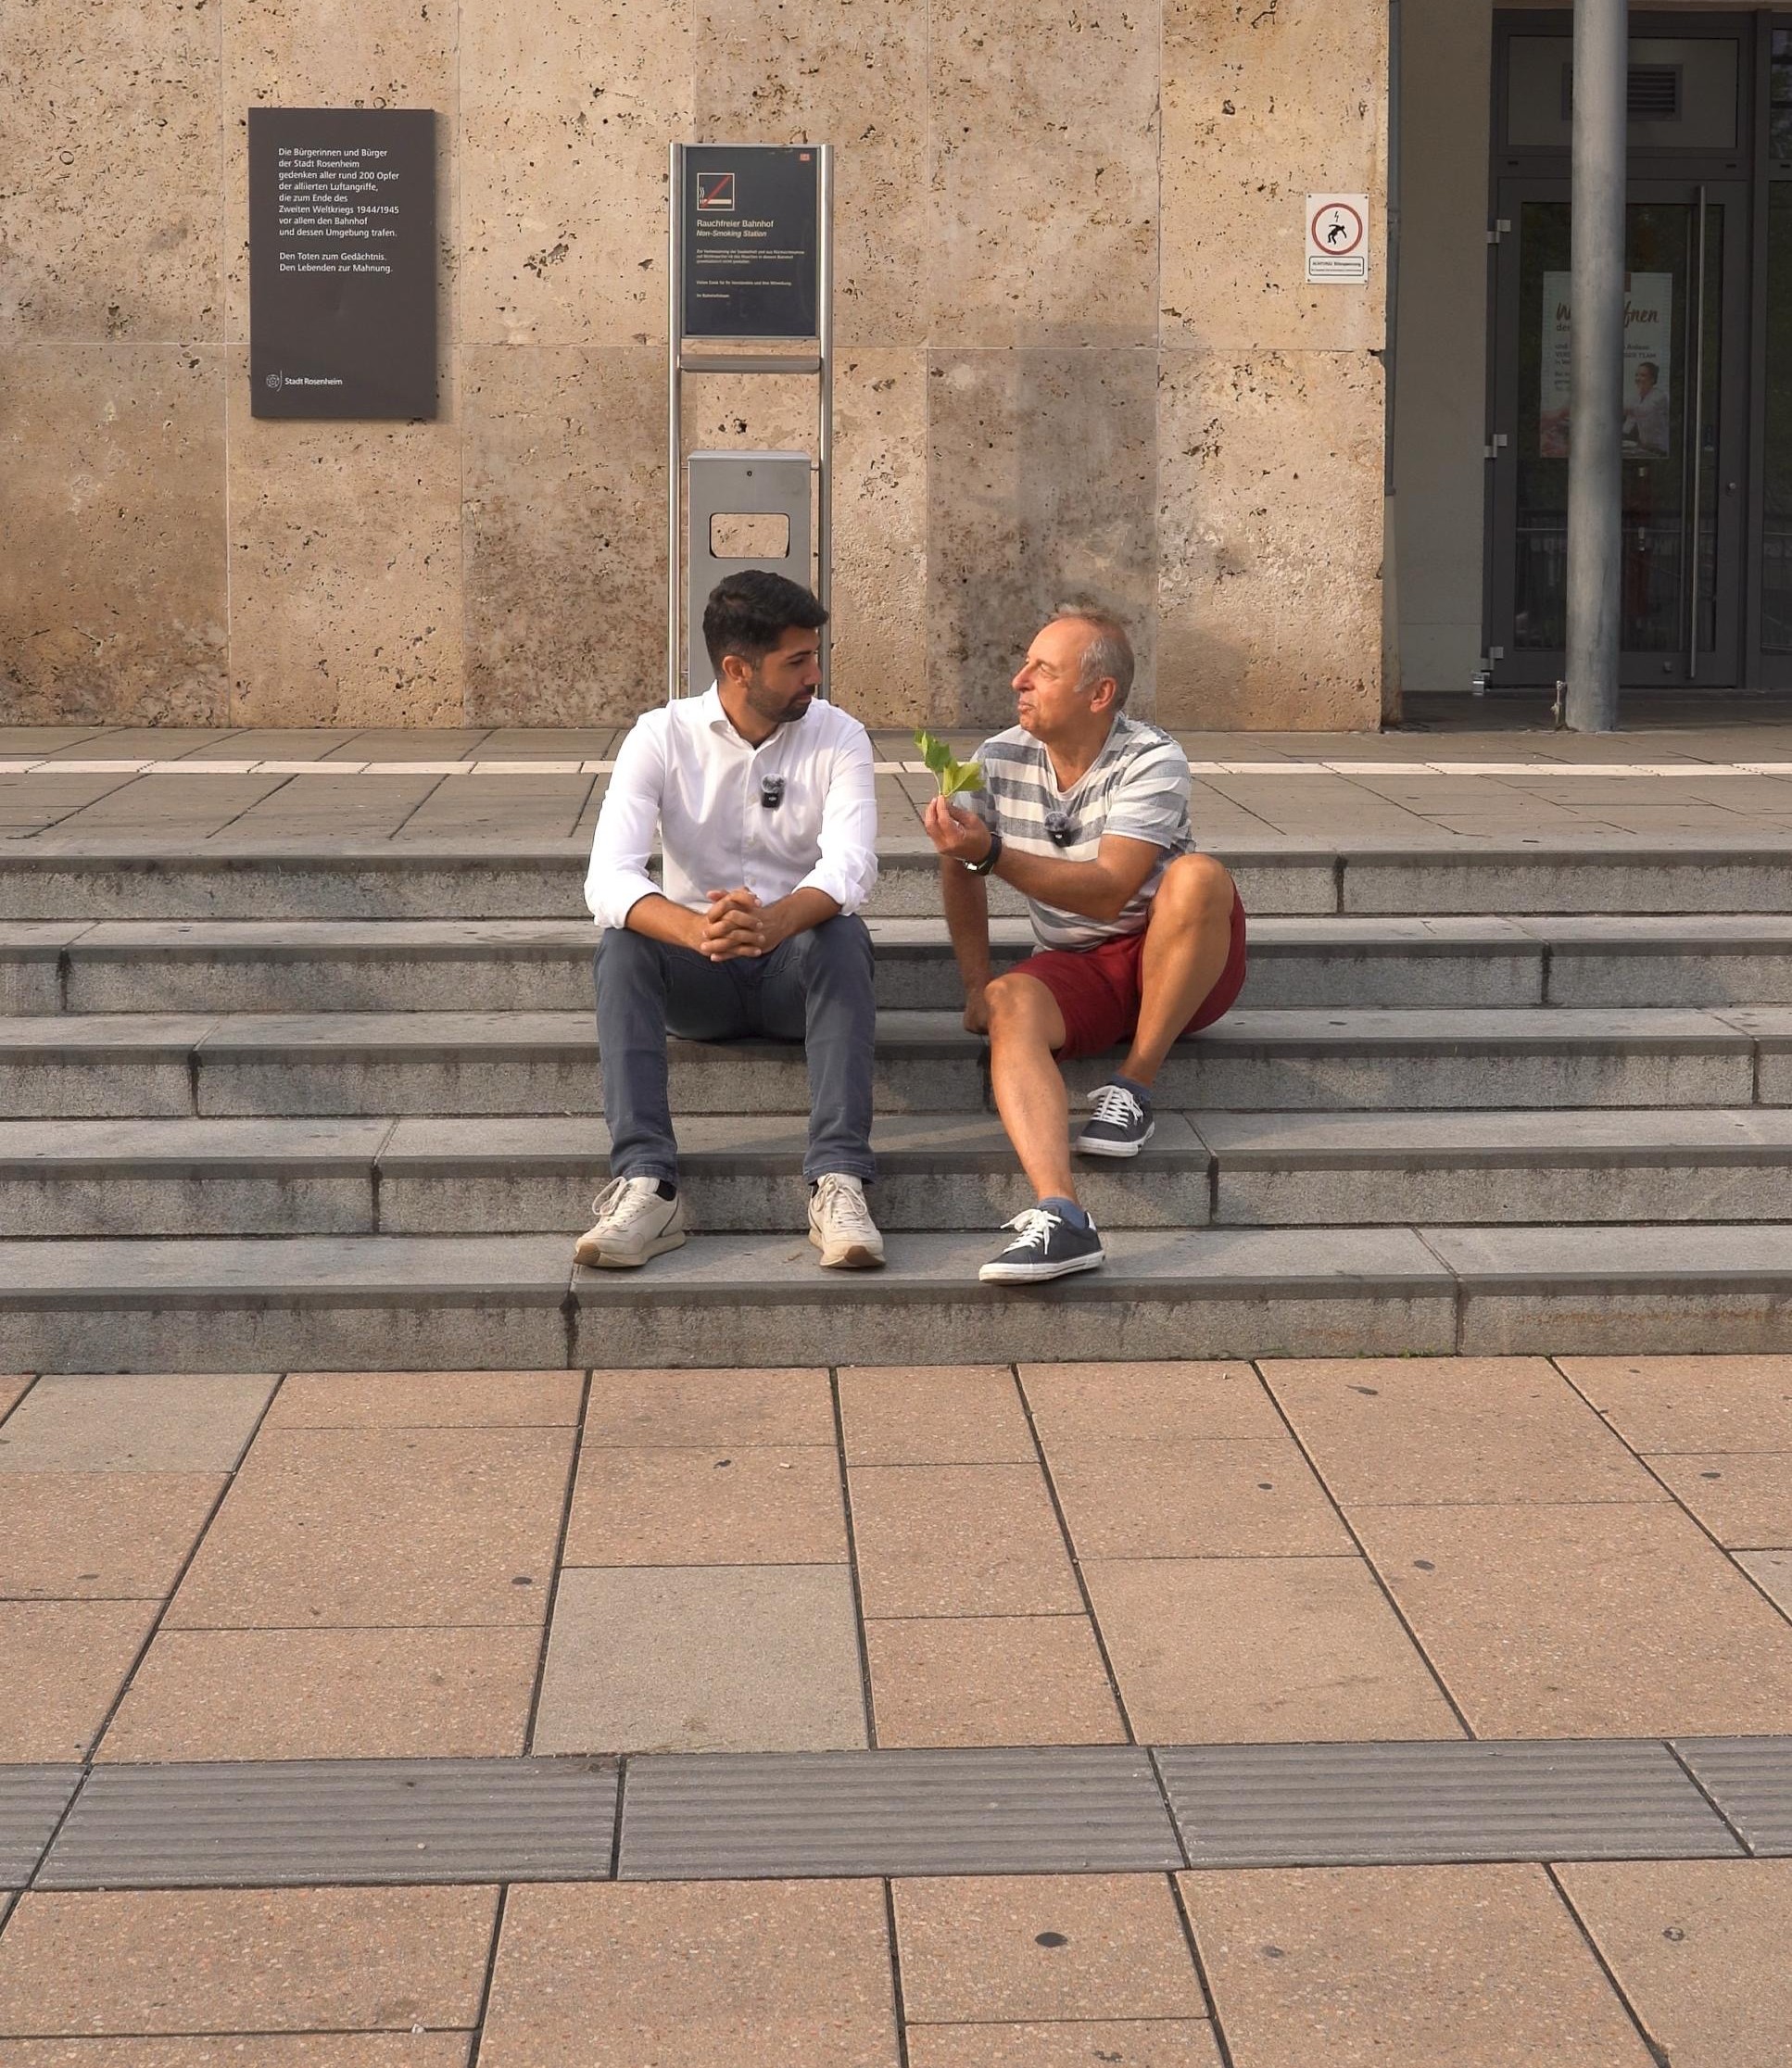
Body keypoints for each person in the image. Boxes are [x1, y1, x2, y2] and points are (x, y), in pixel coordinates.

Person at [924, 611, 1247, 1284]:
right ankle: (1063, 1216)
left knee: (1197, 878)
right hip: (1079, 967)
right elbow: (960, 865)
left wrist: (991, 852)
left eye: (1043, 670)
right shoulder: (997, 758)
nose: (1020, 681)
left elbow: (1108, 891)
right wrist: (975, 984)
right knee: (1013, 998)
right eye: (1026, 663)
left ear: (1099, 694)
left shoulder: (1153, 758)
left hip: (1177, 953)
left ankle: (1133, 1086)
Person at [577, 569, 884, 1271]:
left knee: (842, 933)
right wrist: (697, 931)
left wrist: (774, 923)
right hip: (699, 973)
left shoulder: (840, 736)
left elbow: (850, 868)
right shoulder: (660, 736)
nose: (815, 674)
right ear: (737, 668)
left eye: (815, 656)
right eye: (797, 661)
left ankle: (838, 1180)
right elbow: (609, 877)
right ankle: (648, 1185)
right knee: (622, 947)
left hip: (794, 974)